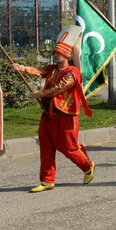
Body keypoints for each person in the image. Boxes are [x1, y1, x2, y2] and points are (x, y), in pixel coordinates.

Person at [12, 26, 95, 192]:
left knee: (69, 148)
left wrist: (40, 94)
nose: (56, 55)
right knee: (46, 147)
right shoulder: (51, 69)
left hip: (66, 116)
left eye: (59, 53)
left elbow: (60, 87)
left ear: (67, 55)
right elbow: (38, 71)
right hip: (48, 114)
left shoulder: (72, 72)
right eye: (55, 53)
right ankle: (47, 180)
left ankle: (87, 166)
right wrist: (22, 68)